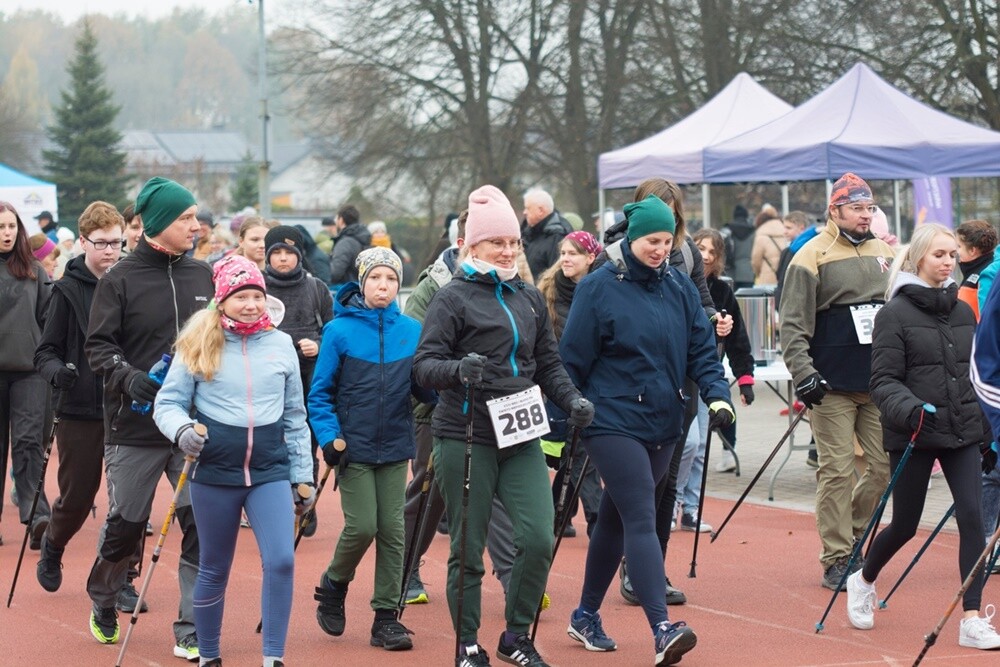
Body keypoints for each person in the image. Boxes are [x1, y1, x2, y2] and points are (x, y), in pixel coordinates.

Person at [413, 185, 593, 667]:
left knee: (537, 538)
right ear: (473, 247)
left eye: (513, 243)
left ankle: (516, 636)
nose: (509, 251)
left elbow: (548, 364)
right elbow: (424, 366)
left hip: (520, 432)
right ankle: (468, 645)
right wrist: (457, 371)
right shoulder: (452, 298)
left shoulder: (529, 298)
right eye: (498, 243)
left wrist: (573, 398)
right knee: (469, 549)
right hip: (465, 435)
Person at [560, 194, 734, 666]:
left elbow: (701, 349)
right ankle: (662, 627)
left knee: (617, 520)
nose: (660, 249)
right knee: (640, 515)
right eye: (651, 240)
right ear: (632, 239)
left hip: (665, 420)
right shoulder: (598, 288)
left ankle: (584, 615)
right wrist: (566, 416)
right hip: (611, 419)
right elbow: (571, 359)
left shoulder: (678, 285)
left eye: (666, 240)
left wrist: (719, 396)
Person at [153, 254, 313, 667]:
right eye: (241, 296)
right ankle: (209, 656)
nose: (251, 304)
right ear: (222, 300)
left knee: (280, 559)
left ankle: (273, 657)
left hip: (269, 471)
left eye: (257, 296)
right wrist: (183, 431)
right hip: (213, 474)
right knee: (214, 567)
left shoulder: (280, 344)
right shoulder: (199, 341)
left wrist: (303, 476)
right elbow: (167, 403)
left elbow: (296, 417)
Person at [851, 223, 1000, 649]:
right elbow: (882, 381)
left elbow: (974, 375)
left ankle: (971, 616)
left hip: (962, 432)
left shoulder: (963, 310)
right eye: (939, 254)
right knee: (905, 525)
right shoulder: (893, 314)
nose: (948, 261)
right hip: (913, 432)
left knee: (973, 518)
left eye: (953, 254)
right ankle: (863, 579)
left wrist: (989, 432)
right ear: (918, 258)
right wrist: (912, 410)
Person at [84, 177, 213, 659]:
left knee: (200, 523)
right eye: (185, 218)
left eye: (195, 216)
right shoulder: (119, 278)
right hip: (134, 425)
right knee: (127, 525)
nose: (195, 225)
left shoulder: (203, 276)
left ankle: (191, 628)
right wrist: (128, 376)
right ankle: (103, 596)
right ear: (158, 224)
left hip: (191, 427)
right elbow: (99, 347)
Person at [779, 172, 895, 590]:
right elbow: (791, 324)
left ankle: (856, 539)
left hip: (879, 381)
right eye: (858, 208)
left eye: (870, 208)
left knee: (883, 468)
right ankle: (837, 556)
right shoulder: (810, 255)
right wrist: (803, 374)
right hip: (830, 385)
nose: (866, 215)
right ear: (836, 210)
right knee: (837, 471)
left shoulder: (886, 251)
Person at [310, 247, 427, 652]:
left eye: (391, 279)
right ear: (362, 283)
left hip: (396, 445)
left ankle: (386, 618)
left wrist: (444, 377)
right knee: (363, 527)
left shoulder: (411, 330)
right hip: (352, 447)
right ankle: (334, 583)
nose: (384, 285)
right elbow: (320, 394)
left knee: (394, 531)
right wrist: (328, 438)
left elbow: (423, 387)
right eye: (376, 278)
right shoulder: (338, 332)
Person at [33, 202, 145, 610]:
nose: (112, 251)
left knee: (130, 499)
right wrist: (57, 372)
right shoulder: (65, 289)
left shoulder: (135, 282)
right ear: (82, 242)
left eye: (117, 242)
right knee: (79, 496)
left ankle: (123, 579)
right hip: (81, 408)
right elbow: (44, 352)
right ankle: (53, 543)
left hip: (129, 405)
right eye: (102, 244)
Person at [263, 225, 334, 537]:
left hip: (308, 375)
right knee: (271, 441)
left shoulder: (316, 287)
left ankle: (307, 500)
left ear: (299, 256)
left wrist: (316, 344)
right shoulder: (257, 287)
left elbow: (332, 330)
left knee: (306, 439)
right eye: (276, 253)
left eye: (288, 253)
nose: (282, 259)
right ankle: (275, 502)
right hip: (267, 377)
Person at [536, 231, 605, 537]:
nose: (565, 258)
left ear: (591, 258)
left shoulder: (603, 292)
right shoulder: (545, 293)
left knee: (578, 454)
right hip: (553, 388)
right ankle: (587, 519)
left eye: (573, 253)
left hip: (592, 386)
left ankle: (571, 517)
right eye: (563, 253)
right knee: (569, 454)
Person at [0, 201, 53, 552]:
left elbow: (50, 320)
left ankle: (36, 518)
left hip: (30, 373)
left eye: (11, 227)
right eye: (0, 227)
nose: (6, 233)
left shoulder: (35, 271)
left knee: (29, 443)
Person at [689, 228, 754, 480]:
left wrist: (745, 378)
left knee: (700, 446)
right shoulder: (675, 281)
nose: (705, 256)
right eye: (700, 248)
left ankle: (691, 509)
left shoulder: (722, 291)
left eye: (712, 252)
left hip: (708, 373)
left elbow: (738, 340)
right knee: (686, 444)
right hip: (679, 375)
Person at [521, 188, 573, 280]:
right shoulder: (526, 233)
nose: (524, 212)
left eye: (527, 208)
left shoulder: (558, 237)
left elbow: (557, 277)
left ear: (541, 211)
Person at [955, 219, 997, 321]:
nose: (956, 251)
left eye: (959, 246)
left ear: (972, 250)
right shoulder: (978, 270)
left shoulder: (985, 275)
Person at [329, 204, 372, 286]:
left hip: (347, 291)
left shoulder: (345, 243)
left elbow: (335, 273)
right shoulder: (363, 237)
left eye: (336, 219)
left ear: (341, 220)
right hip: (360, 288)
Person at [721, 204, 756, 290]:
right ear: (746, 215)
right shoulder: (753, 232)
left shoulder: (727, 230)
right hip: (747, 273)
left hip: (730, 273)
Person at [750, 203, 787, 286]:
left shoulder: (761, 236)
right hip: (784, 278)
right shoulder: (785, 232)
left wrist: (758, 273)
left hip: (767, 278)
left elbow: (756, 261)